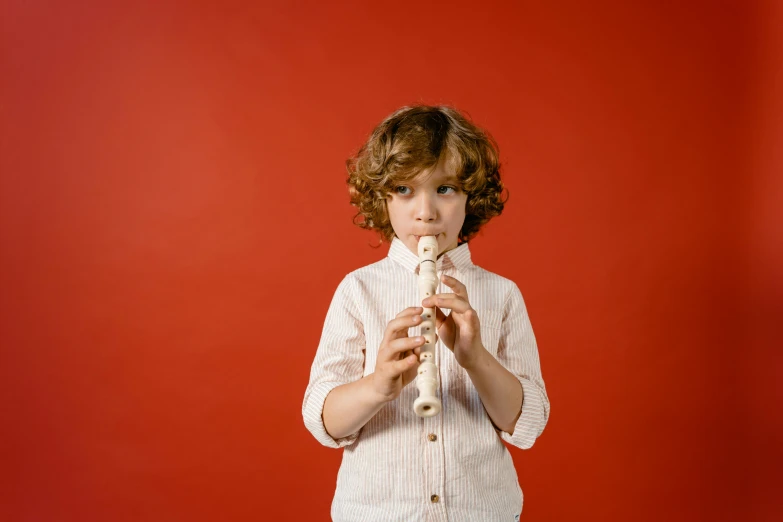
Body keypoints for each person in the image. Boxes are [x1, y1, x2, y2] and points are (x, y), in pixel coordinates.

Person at [302, 105, 550, 521]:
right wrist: (379, 384)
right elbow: (325, 421)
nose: (426, 212)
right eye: (403, 190)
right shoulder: (358, 289)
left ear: (473, 195)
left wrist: (475, 359)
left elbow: (527, 424)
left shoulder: (502, 294)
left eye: (446, 188)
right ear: (381, 197)